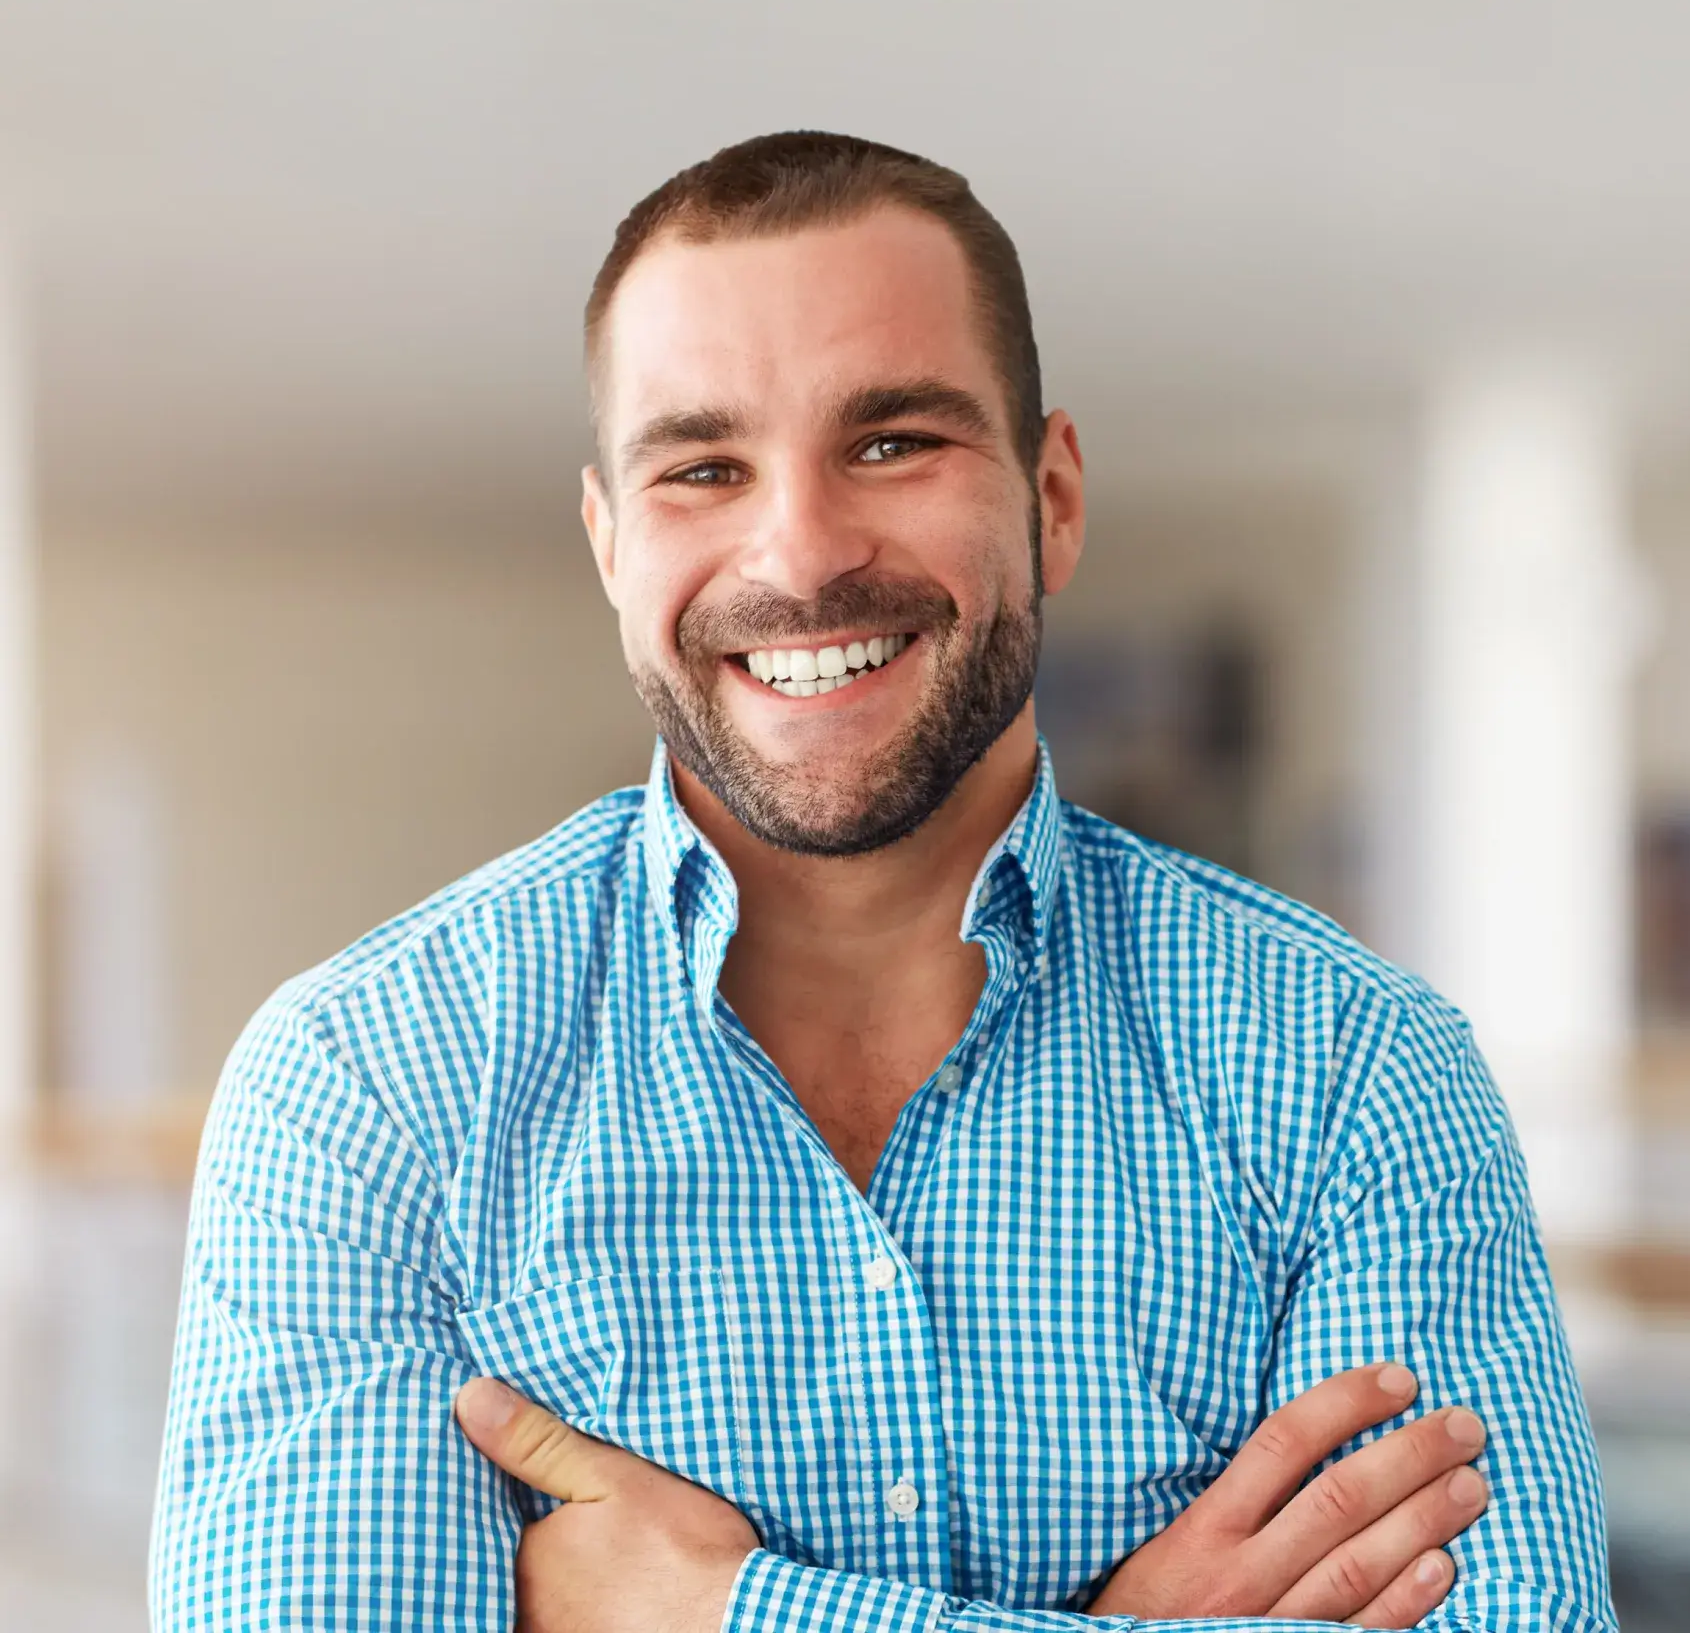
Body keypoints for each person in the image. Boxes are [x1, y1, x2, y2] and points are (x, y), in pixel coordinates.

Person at [149, 131, 1615, 1633]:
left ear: (1049, 496)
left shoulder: (1355, 1071)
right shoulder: (367, 1083)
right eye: (702, 467)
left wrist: (718, 1610)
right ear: (609, 543)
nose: (800, 548)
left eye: (892, 441)